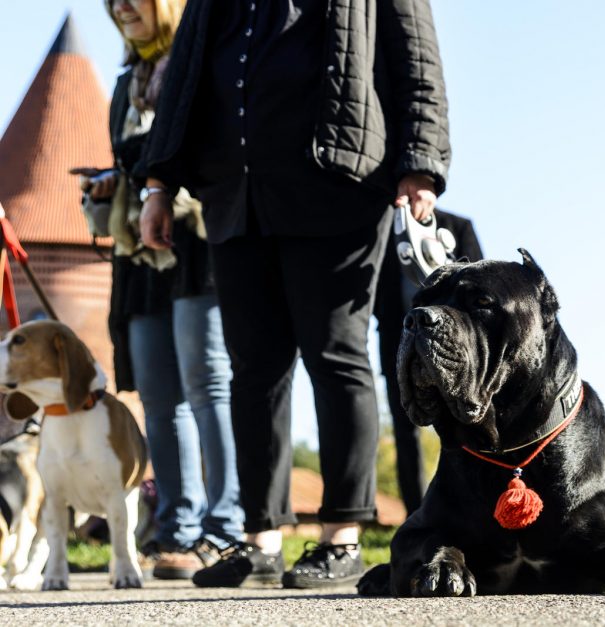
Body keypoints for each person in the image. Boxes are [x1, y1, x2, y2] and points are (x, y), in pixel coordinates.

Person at [138, 0, 450, 589]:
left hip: (340, 184)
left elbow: (417, 60)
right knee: (253, 369)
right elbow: (186, 73)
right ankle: (261, 540)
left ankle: (341, 537)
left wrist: (421, 166)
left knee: (335, 356)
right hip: (236, 193)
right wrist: (159, 182)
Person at [79, 0, 244, 579]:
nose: (122, 6)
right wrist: (107, 184)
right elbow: (130, 162)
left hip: (194, 245)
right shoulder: (127, 82)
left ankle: (226, 529)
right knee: (157, 395)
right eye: (113, 0)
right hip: (139, 256)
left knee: (208, 387)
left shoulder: (199, 62)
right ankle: (177, 526)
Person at [373, 209, 482, 515]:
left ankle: (471, 507)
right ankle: (417, 512)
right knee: (404, 430)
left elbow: (481, 285)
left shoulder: (457, 227)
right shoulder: (382, 233)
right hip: (398, 344)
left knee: (466, 423)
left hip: (454, 348)